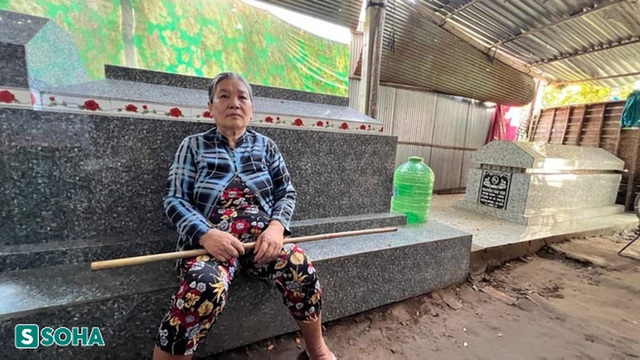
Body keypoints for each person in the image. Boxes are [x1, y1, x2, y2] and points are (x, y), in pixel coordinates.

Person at [153, 72, 335, 360]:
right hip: (211, 244)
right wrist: (205, 233)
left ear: (251, 108)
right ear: (210, 107)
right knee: (203, 285)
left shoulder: (266, 146)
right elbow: (175, 199)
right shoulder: (193, 146)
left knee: (300, 265)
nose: (234, 103)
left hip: (263, 241)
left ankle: (317, 350)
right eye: (224, 95)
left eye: (242, 96)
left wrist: (276, 229)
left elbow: (285, 192)